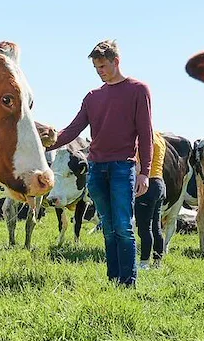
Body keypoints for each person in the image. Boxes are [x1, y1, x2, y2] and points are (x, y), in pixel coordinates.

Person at [48, 40, 153, 287]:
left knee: (124, 226)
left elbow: (145, 133)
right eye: (96, 68)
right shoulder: (93, 97)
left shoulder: (138, 90)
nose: (100, 72)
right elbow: (72, 130)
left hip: (122, 168)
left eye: (103, 66)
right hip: (96, 169)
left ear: (116, 62)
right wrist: (45, 144)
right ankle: (114, 280)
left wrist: (145, 172)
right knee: (107, 227)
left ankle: (128, 283)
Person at [135, 131, 166, 270]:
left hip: (147, 183)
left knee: (144, 227)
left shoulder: (142, 137)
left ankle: (144, 262)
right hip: (160, 182)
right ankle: (158, 261)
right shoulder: (159, 137)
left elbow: (137, 162)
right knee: (156, 226)